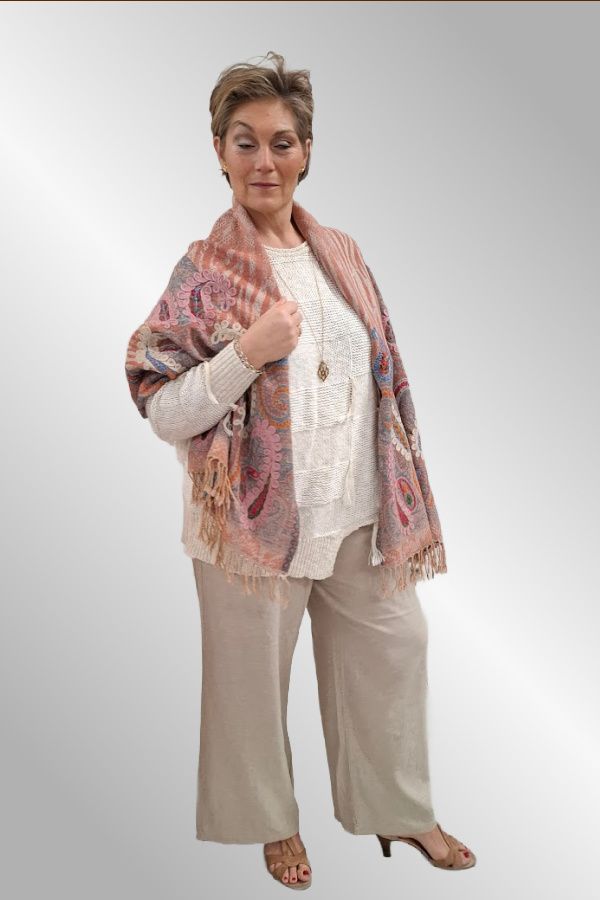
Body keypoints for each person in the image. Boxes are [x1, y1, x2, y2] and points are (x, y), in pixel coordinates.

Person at [129, 51, 476, 889]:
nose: (264, 161)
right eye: (244, 142)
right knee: (250, 685)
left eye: (282, 142)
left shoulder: (342, 253)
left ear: (307, 151)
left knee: (397, 649)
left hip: (358, 511)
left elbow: (383, 382)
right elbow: (161, 407)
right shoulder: (205, 273)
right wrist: (246, 353)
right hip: (251, 527)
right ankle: (271, 823)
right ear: (219, 151)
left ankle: (398, 808)